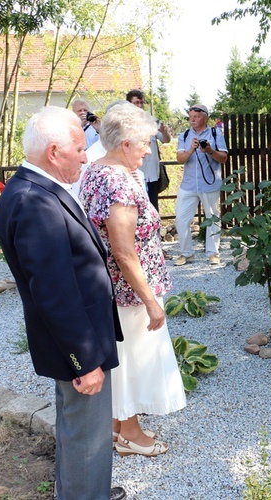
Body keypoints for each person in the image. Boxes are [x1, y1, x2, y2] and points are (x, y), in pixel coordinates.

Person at [0, 106, 125, 500]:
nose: (86, 155)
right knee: (87, 433)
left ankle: (80, 492)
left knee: (79, 429)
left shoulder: (35, 190)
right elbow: (54, 293)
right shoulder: (34, 201)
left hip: (77, 339)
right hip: (77, 346)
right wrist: (84, 362)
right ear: (54, 152)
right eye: (79, 148)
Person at [79, 102, 186, 458]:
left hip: (111, 289)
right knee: (135, 362)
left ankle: (117, 428)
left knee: (123, 359)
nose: (148, 150)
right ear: (125, 143)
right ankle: (132, 436)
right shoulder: (117, 184)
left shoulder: (96, 171)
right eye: (144, 143)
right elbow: (124, 253)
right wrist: (151, 301)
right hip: (130, 292)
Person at [173, 104, 228, 266]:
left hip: (209, 184)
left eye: (196, 117)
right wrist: (191, 149)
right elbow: (180, 159)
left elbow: (223, 158)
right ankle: (186, 253)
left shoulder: (215, 133)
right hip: (188, 184)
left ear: (205, 117)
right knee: (181, 219)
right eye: (190, 117)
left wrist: (210, 151)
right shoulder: (184, 135)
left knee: (212, 219)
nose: (192, 120)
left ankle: (213, 253)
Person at [126, 89, 171, 210]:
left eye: (141, 102)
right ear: (129, 104)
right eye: (136, 103)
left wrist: (164, 132)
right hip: (133, 173)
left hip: (151, 174)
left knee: (153, 208)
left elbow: (166, 140)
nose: (139, 106)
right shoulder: (124, 123)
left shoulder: (151, 120)